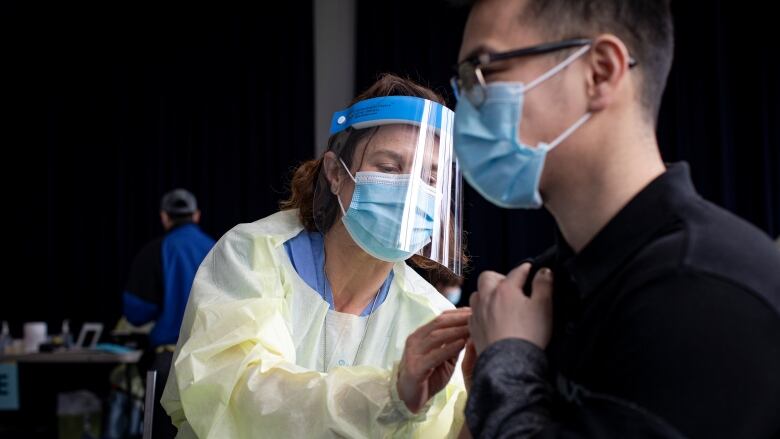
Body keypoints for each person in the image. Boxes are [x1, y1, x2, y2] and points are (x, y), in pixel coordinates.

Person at [449, 0, 780, 438]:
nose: (468, 106)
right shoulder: (544, 284)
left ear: (600, 72)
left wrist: (508, 366)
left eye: (483, 73)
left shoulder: (707, 290)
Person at [161, 74, 471, 438]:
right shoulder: (253, 256)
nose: (413, 191)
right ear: (336, 174)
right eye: (389, 168)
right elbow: (237, 397)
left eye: (431, 179)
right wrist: (391, 394)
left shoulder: (431, 316)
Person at [122, 188, 215, 438]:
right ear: (196, 215)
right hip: (212, 362)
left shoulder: (154, 251)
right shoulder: (219, 249)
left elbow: (135, 312)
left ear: (165, 217)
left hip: (168, 365)